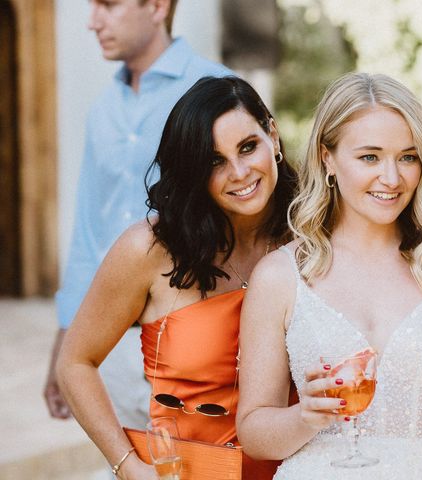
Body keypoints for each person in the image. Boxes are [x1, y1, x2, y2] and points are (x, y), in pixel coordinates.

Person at [236, 72, 422, 479]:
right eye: (369, 157)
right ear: (328, 158)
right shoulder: (279, 277)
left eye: (408, 157)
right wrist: (304, 417)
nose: (392, 178)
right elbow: (253, 432)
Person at [56, 76, 297, 479]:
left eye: (248, 146)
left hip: (299, 469)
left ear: (272, 134)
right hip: (186, 473)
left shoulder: (312, 236)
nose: (239, 172)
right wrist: (128, 465)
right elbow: (75, 363)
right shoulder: (150, 249)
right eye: (214, 161)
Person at [44, 0, 232, 428]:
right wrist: (65, 343)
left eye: (108, 5)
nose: (93, 21)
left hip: (193, 346)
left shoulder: (218, 89)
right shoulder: (103, 110)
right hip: (110, 348)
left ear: (157, 6)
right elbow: (89, 230)